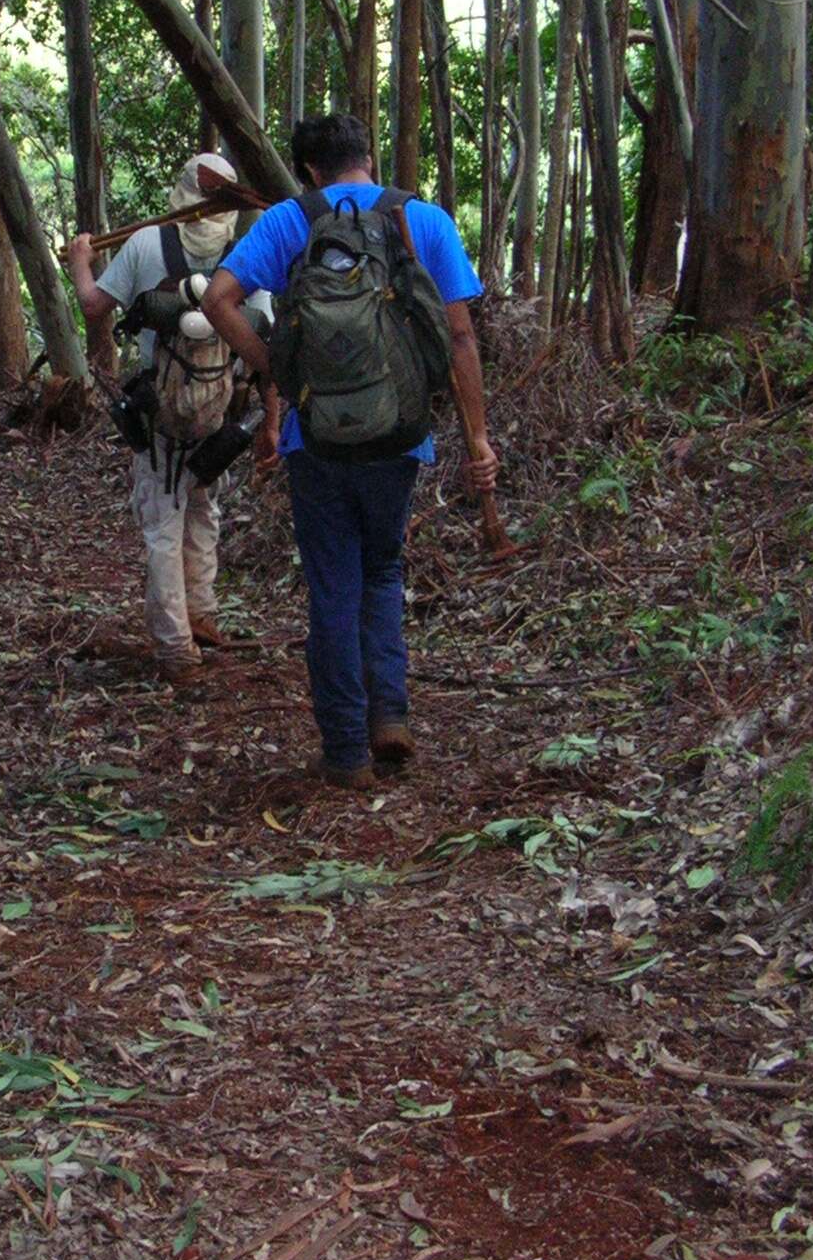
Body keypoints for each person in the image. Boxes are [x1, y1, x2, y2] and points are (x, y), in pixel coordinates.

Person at [201, 115, 499, 789]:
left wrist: (273, 368)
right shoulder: (422, 221)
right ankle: (389, 715)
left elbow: (220, 301)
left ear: (309, 169)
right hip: (400, 435)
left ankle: (345, 751)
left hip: (318, 436)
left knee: (333, 584)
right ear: (369, 155)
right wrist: (477, 436)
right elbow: (459, 340)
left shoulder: (287, 221)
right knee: (383, 571)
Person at [67, 152, 273, 686]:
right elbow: (263, 330)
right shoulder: (245, 252)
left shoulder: (144, 244)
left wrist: (80, 261)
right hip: (219, 407)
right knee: (204, 503)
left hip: (159, 411)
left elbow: (94, 306)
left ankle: (177, 646)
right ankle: (201, 612)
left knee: (163, 519)